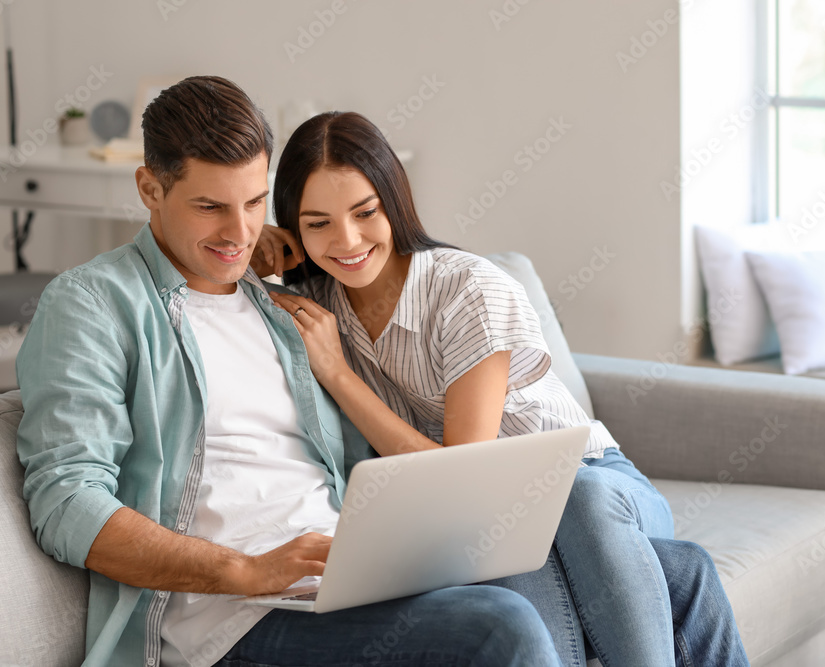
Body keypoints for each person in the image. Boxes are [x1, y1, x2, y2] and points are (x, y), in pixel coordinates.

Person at [15, 76, 562, 667]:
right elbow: (66, 501)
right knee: (499, 627)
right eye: (210, 207)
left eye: (254, 203)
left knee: (532, 577)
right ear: (149, 188)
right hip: (231, 615)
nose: (239, 232)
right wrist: (244, 570)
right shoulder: (94, 303)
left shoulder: (284, 305)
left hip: (348, 580)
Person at [256, 110, 752, 667]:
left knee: (573, 495)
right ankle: (683, 574)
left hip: (599, 488)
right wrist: (255, 244)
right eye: (318, 223)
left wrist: (340, 376)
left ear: (394, 200)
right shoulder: (320, 305)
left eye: (365, 212)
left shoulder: (466, 288)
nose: (346, 240)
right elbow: (214, 280)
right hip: (495, 519)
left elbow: (463, 474)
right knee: (527, 555)